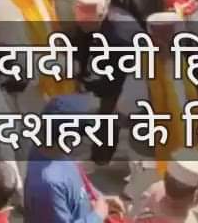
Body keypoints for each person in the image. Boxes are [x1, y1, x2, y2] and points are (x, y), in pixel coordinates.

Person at [24, 94, 124, 223]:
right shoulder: (48, 184)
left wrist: (99, 198)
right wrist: (97, 216)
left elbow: (75, 186)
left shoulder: (52, 152)